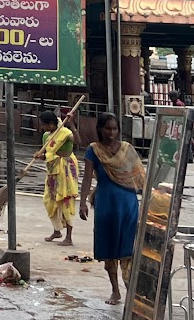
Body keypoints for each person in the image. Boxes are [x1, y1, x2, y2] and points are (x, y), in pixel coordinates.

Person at [79, 112, 146, 305]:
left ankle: (131, 291)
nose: (111, 132)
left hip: (128, 204)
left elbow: (139, 176)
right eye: (107, 128)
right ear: (100, 129)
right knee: (109, 247)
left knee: (128, 247)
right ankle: (115, 291)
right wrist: (82, 202)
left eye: (114, 129)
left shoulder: (127, 149)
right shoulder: (94, 150)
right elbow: (87, 178)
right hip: (106, 204)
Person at [40, 110, 80, 246]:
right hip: (52, 171)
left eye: (44, 125)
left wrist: (72, 124)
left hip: (66, 170)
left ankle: (69, 237)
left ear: (51, 124)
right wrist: (41, 156)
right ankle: (57, 230)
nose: (42, 127)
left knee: (65, 200)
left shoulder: (66, 133)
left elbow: (78, 141)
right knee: (49, 200)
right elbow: (47, 153)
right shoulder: (46, 136)